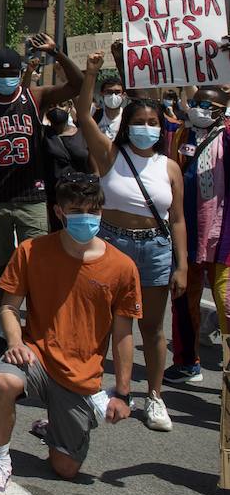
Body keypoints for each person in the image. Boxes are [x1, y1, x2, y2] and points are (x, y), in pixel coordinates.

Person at [0, 175, 139, 495]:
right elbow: (9, 307)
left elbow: (123, 335)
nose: (86, 217)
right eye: (77, 210)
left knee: (65, 469)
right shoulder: (31, 250)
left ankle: (56, 425)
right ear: (59, 211)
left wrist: (122, 393)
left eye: (93, 210)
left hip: (81, 377)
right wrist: (15, 342)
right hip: (36, 356)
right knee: (2, 382)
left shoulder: (122, 267)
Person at [74, 52, 186, 432]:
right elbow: (83, 117)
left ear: (161, 128)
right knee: (102, 323)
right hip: (111, 245)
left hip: (155, 248)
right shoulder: (109, 155)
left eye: (153, 123)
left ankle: (154, 397)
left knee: (152, 328)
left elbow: (179, 219)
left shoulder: (169, 167)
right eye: (140, 123)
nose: (146, 128)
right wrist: (90, 74)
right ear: (127, 127)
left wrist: (182, 265)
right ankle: (91, 389)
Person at [0, 36, 83, 358]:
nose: (6, 78)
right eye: (0, 74)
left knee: (38, 266)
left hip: (32, 196)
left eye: (11, 73)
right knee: (2, 270)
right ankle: (5, 333)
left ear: (19, 72)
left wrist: (56, 52)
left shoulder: (34, 96)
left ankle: (38, 331)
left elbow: (77, 84)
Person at [166, 87, 229, 384]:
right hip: (187, 234)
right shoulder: (182, 135)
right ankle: (187, 362)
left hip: (222, 237)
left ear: (221, 110)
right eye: (195, 103)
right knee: (181, 297)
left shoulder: (227, 136)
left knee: (226, 301)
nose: (198, 109)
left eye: (206, 105)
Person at [96, 75, 126, 140]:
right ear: (102, 93)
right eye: (109, 92)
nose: (113, 96)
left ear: (124, 95)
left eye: (117, 92)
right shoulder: (94, 114)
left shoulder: (127, 117)